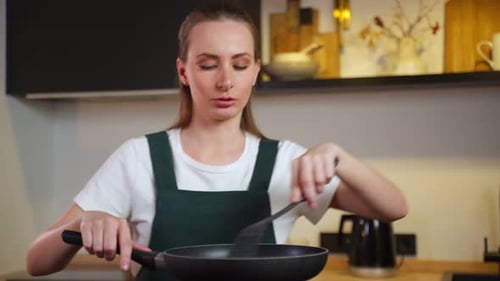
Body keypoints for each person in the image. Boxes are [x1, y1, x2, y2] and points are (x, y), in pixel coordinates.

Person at [26, 2, 408, 280]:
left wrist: (337, 155)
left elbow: (393, 208)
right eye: (208, 65)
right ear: (184, 72)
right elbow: (36, 261)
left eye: (240, 65)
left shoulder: (286, 163)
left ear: (256, 71)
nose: (225, 80)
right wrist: (85, 223)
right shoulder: (139, 157)